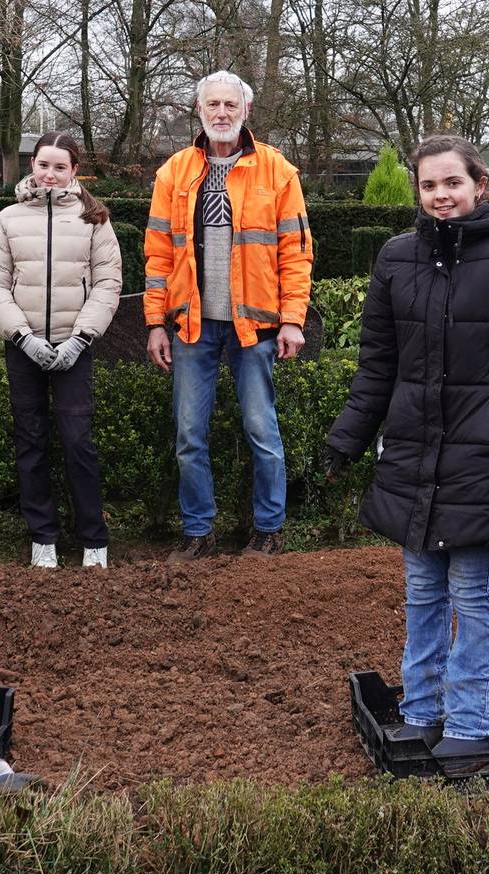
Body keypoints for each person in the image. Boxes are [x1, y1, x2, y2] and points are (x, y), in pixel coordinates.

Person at [324, 133, 489, 774]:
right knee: (420, 593)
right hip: (415, 453)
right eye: (429, 185)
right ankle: (420, 711)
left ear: (478, 185)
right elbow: (377, 366)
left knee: (472, 594)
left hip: (486, 455)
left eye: (452, 183)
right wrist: (347, 439)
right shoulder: (396, 258)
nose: (440, 195)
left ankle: (466, 722)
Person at [144, 70, 313, 562]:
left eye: (230, 105)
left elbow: (296, 253)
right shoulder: (173, 173)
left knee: (262, 431)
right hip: (192, 327)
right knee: (188, 435)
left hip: (254, 326)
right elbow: (157, 255)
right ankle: (198, 532)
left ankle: (269, 530)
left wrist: (292, 319)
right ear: (199, 110)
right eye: (212, 104)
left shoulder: (277, 172)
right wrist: (156, 322)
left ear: (246, 111)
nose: (221, 113)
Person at [0, 131, 121, 568]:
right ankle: (43, 536)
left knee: (78, 441)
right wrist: (22, 337)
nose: (51, 174)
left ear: (74, 171)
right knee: (31, 439)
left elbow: (108, 283)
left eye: (61, 167)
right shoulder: (7, 218)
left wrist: (80, 338)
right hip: (25, 348)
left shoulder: (94, 218)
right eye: (44, 165)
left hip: (74, 347)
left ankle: (93, 538)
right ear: (32, 166)